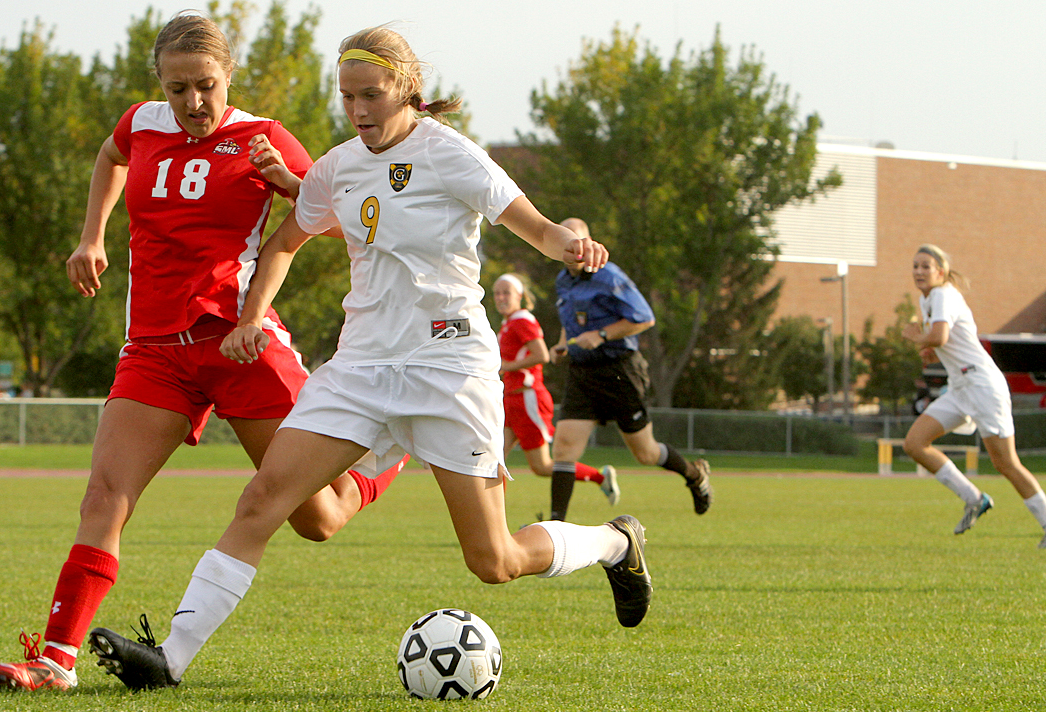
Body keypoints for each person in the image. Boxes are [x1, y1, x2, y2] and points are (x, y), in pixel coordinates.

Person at [84, 26, 653, 692]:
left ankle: (616, 542)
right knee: (263, 499)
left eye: (372, 96)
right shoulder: (336, 166)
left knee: (493, 560)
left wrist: (572, 247)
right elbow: (284, 243)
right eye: (348, 97)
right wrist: (250, 315)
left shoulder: (452, 155)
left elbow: (538, 227)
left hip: (448, 367)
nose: (359, 111)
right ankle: (170, 659)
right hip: (360, 368)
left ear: (407, 89)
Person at [0, 13, 405, 692]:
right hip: (153, 349)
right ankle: (55, 660)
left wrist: (293, 185)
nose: (192, 102)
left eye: (204, 85)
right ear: (161, 85)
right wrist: (91, 237)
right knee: (104, 497)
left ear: (227, 76)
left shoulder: (263, 138)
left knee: (318, 519)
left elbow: (350, 221)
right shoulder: (141, 124)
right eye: (177, 88)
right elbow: (111, 155)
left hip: (240, 343)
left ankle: (385, 455)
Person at [548, 218, 712, 522]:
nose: (575, 249)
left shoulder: (609, 275)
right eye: (567, 242)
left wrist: (601, 335)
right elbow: (569, 319)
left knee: (645, 453)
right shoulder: (562, 280)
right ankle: (556, 529)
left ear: (590, 243)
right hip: (583, 372)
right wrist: (562, 344)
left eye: (580, 242)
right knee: (564, 448)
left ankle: (694, 475)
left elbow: (644, 318)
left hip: (620, 370)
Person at [901, 244, 1046, 546]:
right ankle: (974, 498)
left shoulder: (943, 294)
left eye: (926, 266)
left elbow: (939, 335)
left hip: (982, 386)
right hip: (960, 387)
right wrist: (929, 349)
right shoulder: (927, 298)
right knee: (915, 443)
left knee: (1006, 463)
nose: (919, 271)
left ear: (940, 271)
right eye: (915, 266)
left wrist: (918, 338)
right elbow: (944, 342)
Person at [492, 272, 619, 505]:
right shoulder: (508, 323)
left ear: (519, 295)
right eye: (497, 293)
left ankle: (600, 477)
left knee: (542, 466)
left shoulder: (522, 320)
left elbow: (541, 355)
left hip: (527, 400)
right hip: (511, 400)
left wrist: (507, 365)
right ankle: (494, 526)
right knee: (493, 460)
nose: (500, 297)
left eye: (506, 292)